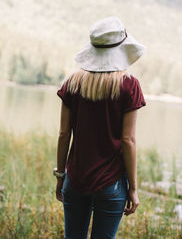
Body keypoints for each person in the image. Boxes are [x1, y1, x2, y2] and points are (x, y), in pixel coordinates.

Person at [54, 16, 147, 239]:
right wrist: (133, 189)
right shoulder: (128, 85)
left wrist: (60, 176)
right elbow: (128, 141)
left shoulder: (72, 83)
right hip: (111, 183)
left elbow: (64, 134)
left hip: (74, 179)